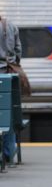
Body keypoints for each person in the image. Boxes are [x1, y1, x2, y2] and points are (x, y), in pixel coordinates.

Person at [0, 16, 21, 167]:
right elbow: (18, 50)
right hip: (8, 74)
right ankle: (8, 153)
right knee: (8, 115)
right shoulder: (10, 25)